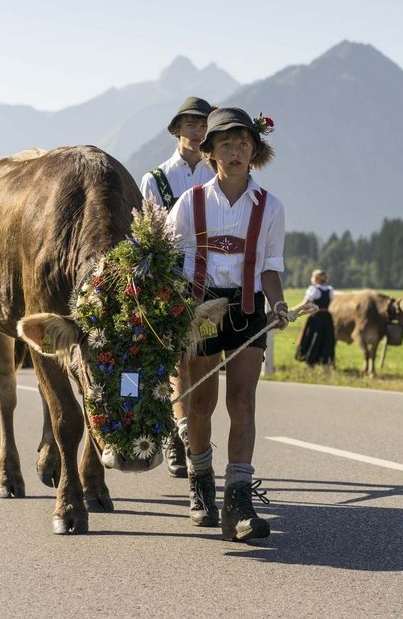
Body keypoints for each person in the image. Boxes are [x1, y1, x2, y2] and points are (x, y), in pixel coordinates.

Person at [167, 106, 288, 541]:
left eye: (243, 143)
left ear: (254, 150)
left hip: (249, 307)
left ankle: (238, 502)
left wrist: (277, 305)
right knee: (200, 404)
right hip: (201, 310)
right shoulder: (189, 203)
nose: (235, 151)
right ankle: (201, 487)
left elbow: (271, 266)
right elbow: (169, 263)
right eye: (225, 144)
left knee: (242, 401)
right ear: (211, 153)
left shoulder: (270, 206)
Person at [140, 96, 216, 479]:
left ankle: (194, 436)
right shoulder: (155, 179)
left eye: (203, 124)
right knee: (176, 362)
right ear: (176, 130)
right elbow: (149, 238)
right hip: (171, 282)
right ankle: (176, 434)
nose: (198, 130)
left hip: (212, 284)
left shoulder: (217, 174)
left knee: (204, 357)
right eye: (191, 124)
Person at [295, 269, 335, 367]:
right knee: (326, 340)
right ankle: (325, 363)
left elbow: (305, 303)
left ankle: (311, 362)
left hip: (316, 318)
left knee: (313, 339)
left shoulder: (314, 290)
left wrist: (293, 310)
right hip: (327, 318)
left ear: (316, 279)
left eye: (312, 277)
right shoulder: (330, 290)